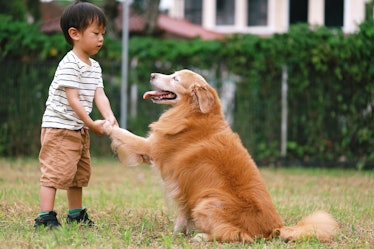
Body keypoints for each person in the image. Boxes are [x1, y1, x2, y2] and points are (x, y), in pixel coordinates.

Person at [34, 1, 118, 229]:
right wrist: (91, 123)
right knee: (54, 173)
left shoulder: (95, 66)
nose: (101, 38)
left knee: (77, 175)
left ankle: (75, 214)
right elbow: (74, 99)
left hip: (77, 128)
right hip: (60, 127)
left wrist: (109, 117)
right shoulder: (70, 64)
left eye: (103, 33)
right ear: (75, 34)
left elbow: (99, 95)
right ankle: (45, 216)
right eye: (96, 33)